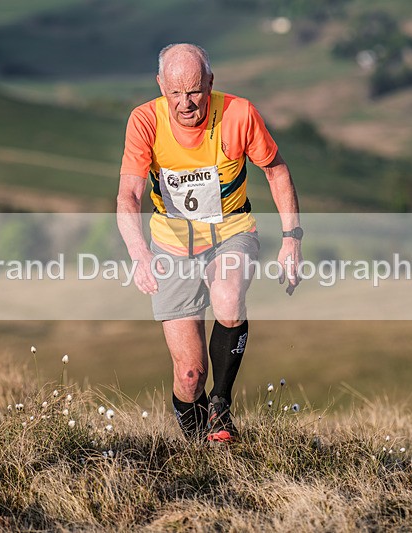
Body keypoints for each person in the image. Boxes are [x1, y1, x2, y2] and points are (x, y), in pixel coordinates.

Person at [117, 43, 302, 443]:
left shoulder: (239, 114)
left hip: (232, 233)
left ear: (211, 83)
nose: (185, 103)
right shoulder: (144, 120)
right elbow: (128, 196)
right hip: (171, 246)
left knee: (228, 296)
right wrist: (139, 253)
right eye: (175, 93)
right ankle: (200, 447)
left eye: (195, 92)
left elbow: (277, 171)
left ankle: (220, 403)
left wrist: (291, 239)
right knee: (189, 376)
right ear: (160, 85)